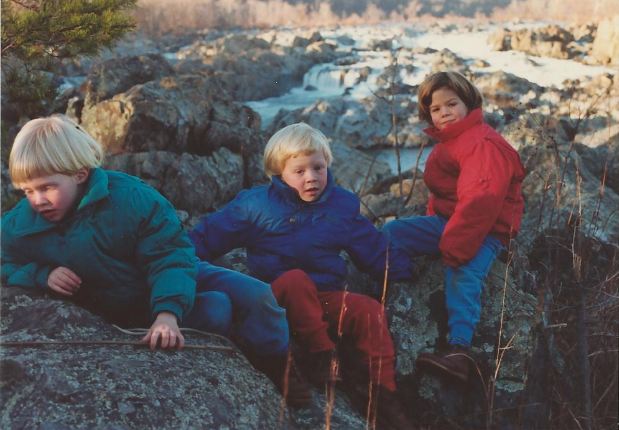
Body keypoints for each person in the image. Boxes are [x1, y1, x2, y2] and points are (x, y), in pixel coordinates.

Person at [1, 114, 311, 407]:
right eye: (27, 191)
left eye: (47, 187)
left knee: (258, 295)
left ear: (80, 174)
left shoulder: (132, 199)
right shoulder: (22, 223)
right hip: (133, 300)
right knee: (218, 308)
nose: (37, 200)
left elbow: (170, 254)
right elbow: (5, 260)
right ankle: (242, 350)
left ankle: (278, 366)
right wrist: (41, 274)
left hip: (172, 271)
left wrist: (168, 313)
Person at [189, 122, 414, 429]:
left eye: (318, 168)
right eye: (300, 171)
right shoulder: (255, 205)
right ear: (279, 173)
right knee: (296, 280)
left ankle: (385, 395)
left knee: (369, 311)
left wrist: (403, 271)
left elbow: (373, 249)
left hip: (323, 299)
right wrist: (178, 259)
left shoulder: (341, 206)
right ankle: (321, 356)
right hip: (276, 299)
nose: (311, 178)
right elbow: (209, 235)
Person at [383, 71, 526, 382]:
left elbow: (480, 203)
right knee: (393, 233)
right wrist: (436, 222)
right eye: (436, 109)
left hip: (487, 229)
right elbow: (444, 192)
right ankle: (407, 275)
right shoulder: (451, 141)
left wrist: (455, 248)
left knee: (463, 273)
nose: (444, 113)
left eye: (452, 104)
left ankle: (460, 351)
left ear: (469, 103)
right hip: (450, 221)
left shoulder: (482, 144)